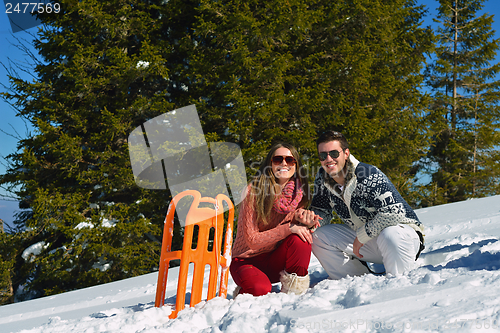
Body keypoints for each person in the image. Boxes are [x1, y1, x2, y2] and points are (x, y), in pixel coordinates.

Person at [296, 131, 424, 279]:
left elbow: (394, 213)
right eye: (323, 155)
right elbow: (321, 211)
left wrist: (362, 236)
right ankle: (354, 282)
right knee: (319, 237)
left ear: (346, 153)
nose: (328, 159)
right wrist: (311, 221)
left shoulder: (367, 174)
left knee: (390, 234)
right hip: (366, 244)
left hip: (402, 238)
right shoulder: (322, 178)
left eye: (334, 153)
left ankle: (399, 282)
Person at [230, 142, 319, 297]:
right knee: (260, 290)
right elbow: (252, 240)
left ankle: (294, 291)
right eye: (278, 159)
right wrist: (290, 228)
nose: (284, 163)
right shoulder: (253, 191)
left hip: (275, 260)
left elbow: (293, 228)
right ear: (270, 163)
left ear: (296, 165)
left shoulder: (299, 194)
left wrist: (306, 223)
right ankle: (246, 289)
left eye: (289, 160)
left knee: (302, 238)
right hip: (247, 261)